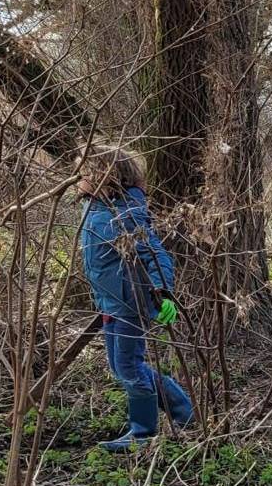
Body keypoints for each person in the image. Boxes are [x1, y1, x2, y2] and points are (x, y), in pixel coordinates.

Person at [78, 148, 194, 452]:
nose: (79, 180)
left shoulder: (126, 213)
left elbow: (152, 252)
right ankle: (183, 411)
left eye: (84, 173)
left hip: (130, 304)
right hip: (110, 302)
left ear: (106, 176)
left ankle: (143, 434)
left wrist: (162, 291)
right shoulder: (95, 207)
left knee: (129, 366)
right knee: (120, 367)